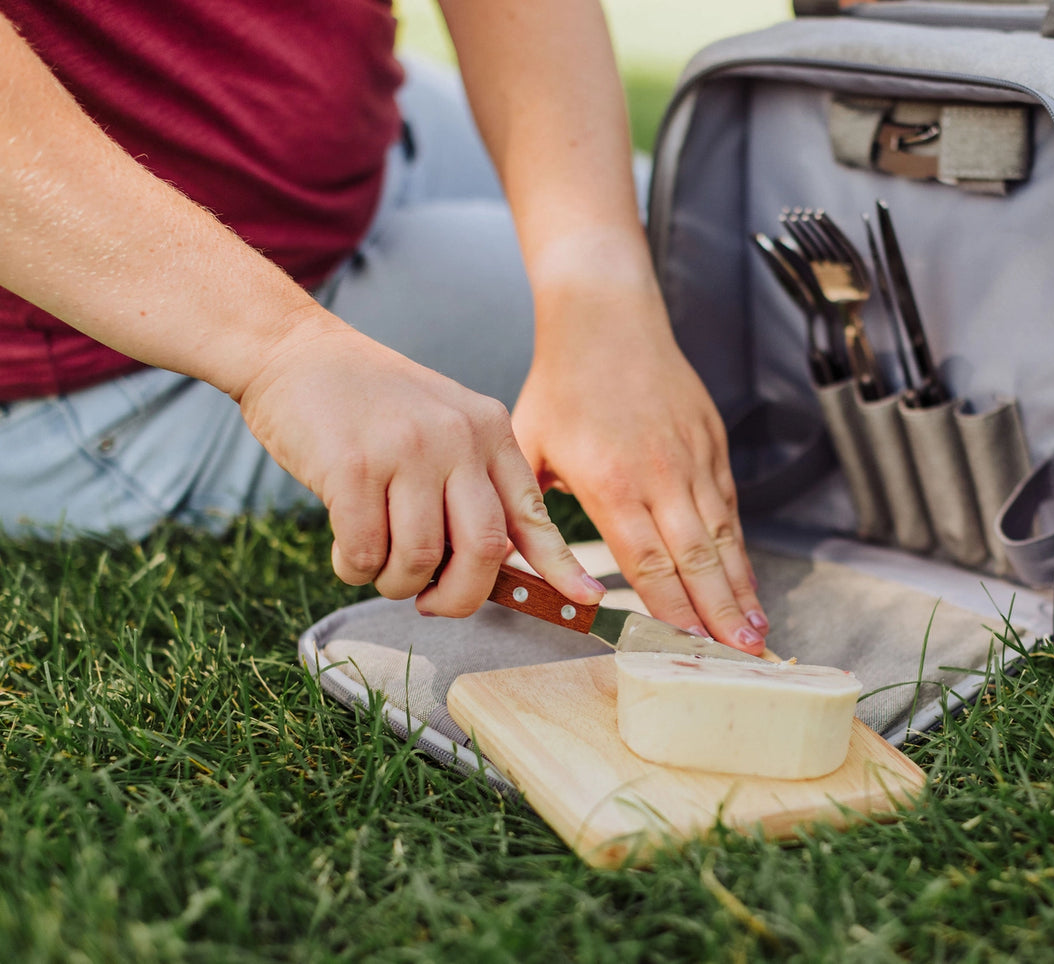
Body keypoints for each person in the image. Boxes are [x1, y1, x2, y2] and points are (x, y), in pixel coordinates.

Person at [0, 0, 770, 654]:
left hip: (369, 137)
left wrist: (599, 290)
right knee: (743, 291)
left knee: (721, 233)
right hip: (117, 323)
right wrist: (282, 353)